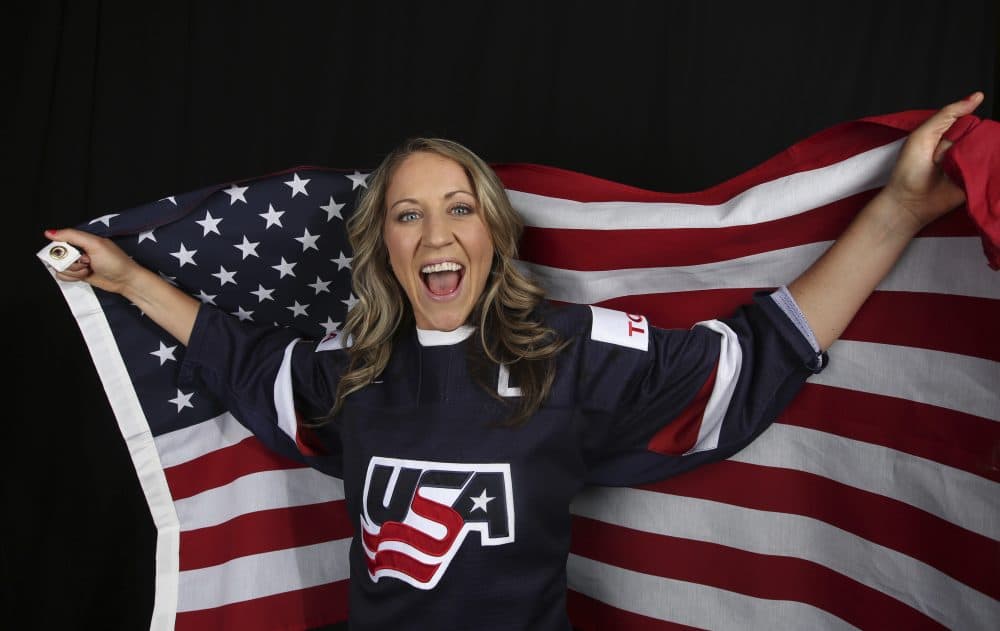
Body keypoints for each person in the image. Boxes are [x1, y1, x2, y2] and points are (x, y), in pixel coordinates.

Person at [45, 92, 984, 630]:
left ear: (493, 232)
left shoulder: (570, 360)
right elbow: (244, 362)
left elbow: (749, 357)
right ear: (382, 247)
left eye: (458, 207)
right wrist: (128, 280)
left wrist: (895, 213)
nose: (435, 232)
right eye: (407, 214)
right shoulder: (355, 372)